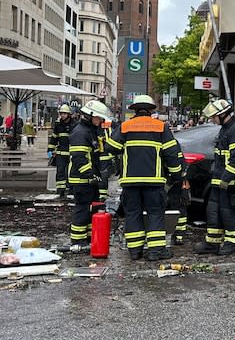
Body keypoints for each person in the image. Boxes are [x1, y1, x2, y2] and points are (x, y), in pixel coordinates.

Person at [105, 95, 182, 261]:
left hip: (130, 182)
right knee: (155, 214)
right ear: (150, 110)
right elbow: (172, 153)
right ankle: (156, 251)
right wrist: (176, 175)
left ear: (134, 109)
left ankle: (135, 251)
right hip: (154, 182)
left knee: (133, 214)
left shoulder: (125, 127)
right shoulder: (161, 127)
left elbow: (111, 147)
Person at [194, 99, 235, 256]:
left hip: (232, 183)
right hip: (219, 181)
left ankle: (231, 244)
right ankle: (212, 243)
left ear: (223, 114)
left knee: (229, 213)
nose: (212, 119)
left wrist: (226, 178)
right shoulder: (225, 129)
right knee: (214, 212)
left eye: (213, 117)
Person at [67, 100, 111, 246]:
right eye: (99, 118)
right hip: (82, 180)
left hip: (89, 180)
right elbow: (80, 158)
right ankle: (78, 240)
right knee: (82, 210)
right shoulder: (81, 132)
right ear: (90, 116)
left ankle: (88, 238)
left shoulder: (90, 131)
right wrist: (90, 175)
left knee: (91, 210)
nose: (100, 121)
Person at [49, 105, 76, 198]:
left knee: (72, 172)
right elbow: (54, 138)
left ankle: (71, 190)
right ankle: (60, 190)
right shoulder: (58, 125)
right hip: (61, 153)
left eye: (64, 113)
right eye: (61, 113)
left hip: (72, 153)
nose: (62, 115)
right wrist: (50, 150)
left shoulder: (75, 125)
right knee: (60, 172)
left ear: (69, 114)